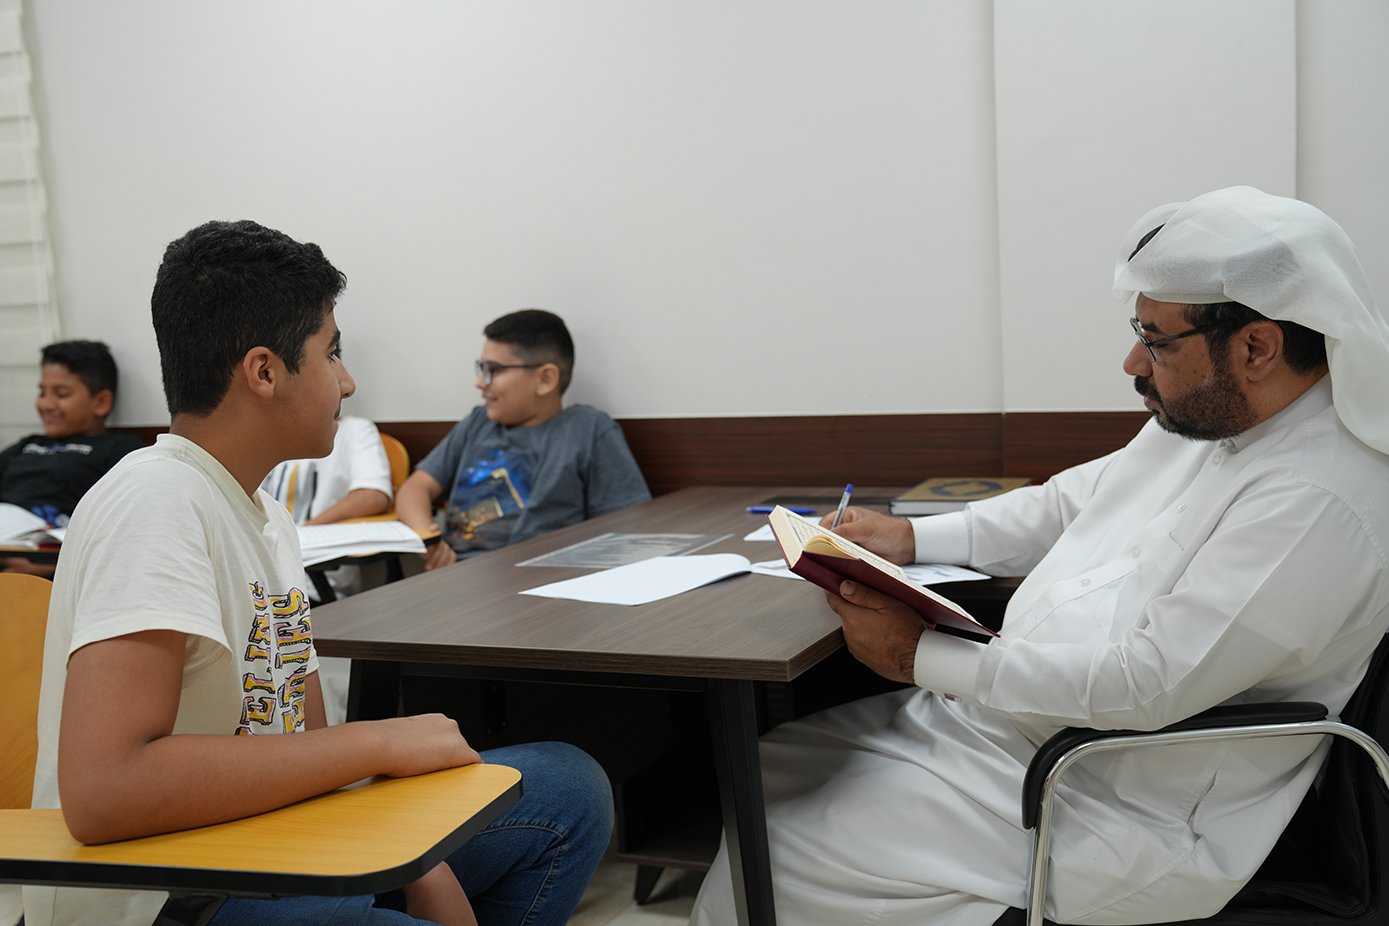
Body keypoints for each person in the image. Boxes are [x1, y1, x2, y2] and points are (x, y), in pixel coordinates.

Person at [691, 186, 1389, 925]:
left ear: (1255, 347)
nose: (1133, 362)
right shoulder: (1227, 415)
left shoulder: (1319, 498)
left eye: (1156, 340)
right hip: (1030, 726)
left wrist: (915, 657)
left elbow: (1147, 685)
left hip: (1116, 795)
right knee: (771, 768)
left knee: (786, 841)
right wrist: (913, 538)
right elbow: (1069, 502)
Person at [25, 220, 612, 926]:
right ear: (265, 371)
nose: (347, 380)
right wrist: (377, 743)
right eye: (331, 352)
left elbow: (306, 749)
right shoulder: (155, 501)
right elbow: (105, 793)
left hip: (273, 845)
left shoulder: (267, 517)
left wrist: (408, 852)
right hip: (173, 892)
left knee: (566, 788)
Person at [395, 308, 650, 569]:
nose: (480, 382)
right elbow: (414, 489)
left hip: (539, 575)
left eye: (493, 370)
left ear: (545, 379)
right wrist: (429, 539)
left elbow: (630, 527)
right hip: (460, 573)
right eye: (481, 368)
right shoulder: (478, 423)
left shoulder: (587, 430)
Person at [0, 340, 144, 575]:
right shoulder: (27, 446)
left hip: (53, 563)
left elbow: (127, 526)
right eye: (42, 392)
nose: (46, 404)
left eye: (61, 394)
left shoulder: (119, 449)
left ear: (101, 402)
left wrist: (47, 567)